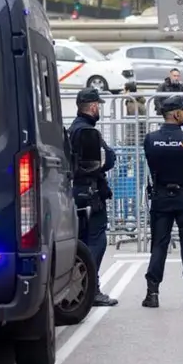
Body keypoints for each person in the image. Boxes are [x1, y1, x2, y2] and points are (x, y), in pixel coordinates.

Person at [140, 96, 183, 308]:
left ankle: (152, 294)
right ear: (176, 114)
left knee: (159, 244)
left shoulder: (151, 139)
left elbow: (151, 159)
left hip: (161, 197)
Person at [68, 87, 119, 307]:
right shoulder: (88, 132)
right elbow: (104, 160)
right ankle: (91, 288)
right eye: (98, 105)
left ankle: (82, 287)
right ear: (93, 107)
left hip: (79, 192)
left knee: (82, 240)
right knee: (96, 240)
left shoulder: (73, 128)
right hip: (90, 193)